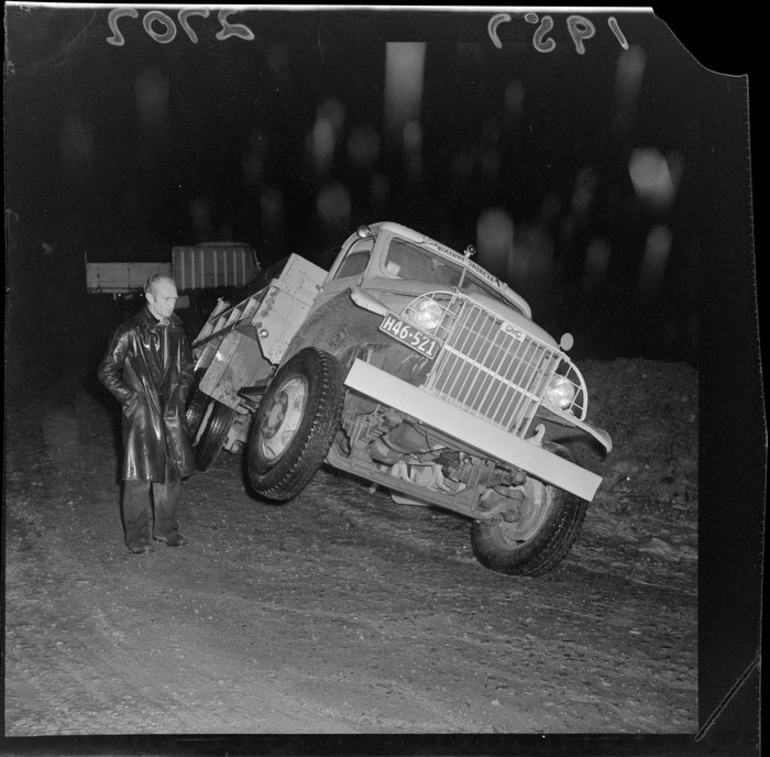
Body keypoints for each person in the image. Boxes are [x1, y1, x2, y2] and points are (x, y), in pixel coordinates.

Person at [98, 274, 196, 555]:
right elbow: (106, 370)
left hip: (171, 411)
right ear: (150, 298)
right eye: (166, 298)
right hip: (142, 414)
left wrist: (181, 388)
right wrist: (131, 399)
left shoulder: (177, 329)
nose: (172, 303)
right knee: (139, 475)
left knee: (171, 472)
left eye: (175, 297)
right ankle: (137, 537)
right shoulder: (128, 331)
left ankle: (166, 530)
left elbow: (188, 366)